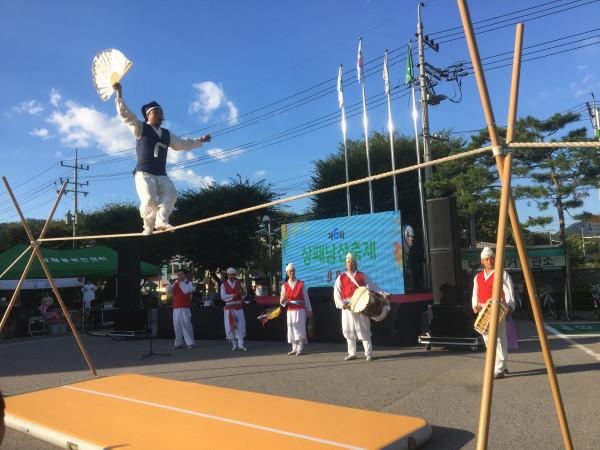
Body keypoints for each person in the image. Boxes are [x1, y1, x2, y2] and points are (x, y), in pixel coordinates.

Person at [113, 82, 212, 235]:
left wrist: (200, 140)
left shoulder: (166, 133)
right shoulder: (140, 128)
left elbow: (182, 144)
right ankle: (148, 226)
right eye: (156, 112)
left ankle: (161, 221)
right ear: (148, 115)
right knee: (148, 199)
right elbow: (126, 115)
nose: (160, 114)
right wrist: (119, 94)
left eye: (161, 112)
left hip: (161, 173)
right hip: (144, 173)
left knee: (171, 193)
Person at [471, 247, 515, 379]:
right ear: (482, 261)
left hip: (497, 309)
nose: (489, 261)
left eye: (491, 259)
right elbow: (475, 294)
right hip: (483, 311)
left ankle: (499, 368)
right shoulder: (478, 277)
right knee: (487, 339)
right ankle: (502, 365)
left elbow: (509, 291)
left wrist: (510, 306)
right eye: (486, 259)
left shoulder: (502, 274)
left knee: (499, 339)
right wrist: (475, 306)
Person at [333, 253, 383, 361]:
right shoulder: (341, 277)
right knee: (348, 330)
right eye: (348, 262)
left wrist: (383, 293)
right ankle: (352, 353)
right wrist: (342, 304)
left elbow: (373, 286)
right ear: (345, 264)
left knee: (364, 329)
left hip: (361, 306)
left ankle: (368, 353)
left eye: (352, 262)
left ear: (356, 264)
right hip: (348, 307)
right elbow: (336, 293)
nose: (350, 264)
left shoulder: (362, 275)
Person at [280, 263, 312, 356]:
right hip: (290, 310)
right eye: (290, 271)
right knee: (291, 328)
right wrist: (283, 300)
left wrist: (309, 309)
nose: (292, 273)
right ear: (287, 273)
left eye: (293, 271)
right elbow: (282, 300)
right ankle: (294, 348)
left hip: (300, 309)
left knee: (299, 328)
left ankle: (300, 348)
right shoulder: (284, 285)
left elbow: (306, 298)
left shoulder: (301, 284)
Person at [167, 270, 195, 349]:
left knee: (186, 325)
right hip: (176, 307)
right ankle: (178, 343)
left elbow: (186, 291)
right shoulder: (175, 284)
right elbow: (169, 292)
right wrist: (170, 284)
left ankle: (190, 343)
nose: (179, 276)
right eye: (178, 274)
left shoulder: (189, 283)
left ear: (185, 275)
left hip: (184, 308)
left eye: (181, 274)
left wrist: (181, 282)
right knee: (176, 326)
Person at [220, 267, 247, 351]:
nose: (231, 276)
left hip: (238, 307)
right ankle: (234, 345)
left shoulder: (240, 283)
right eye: (229, 275)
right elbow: (223, 296)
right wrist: (233, 296)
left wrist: (242, 293)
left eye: (232, 275)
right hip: (229, 308)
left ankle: (240, 345)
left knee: (240, 325)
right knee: (230, 326)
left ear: (235, 275)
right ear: (227, 275)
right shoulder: (223, 285)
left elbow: (244, 294)